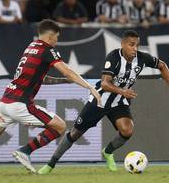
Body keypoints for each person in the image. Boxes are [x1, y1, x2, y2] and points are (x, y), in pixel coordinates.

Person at [0, 19, 101, 175]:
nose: (57, 41)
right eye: (57, 37)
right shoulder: (47, 50)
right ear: (50, 37)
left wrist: (63, 82)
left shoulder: (31, 47)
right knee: (60, 126)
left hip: (6, 101)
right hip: (19, 103)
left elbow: (41, 78)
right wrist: (89, 86)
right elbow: (67, 70)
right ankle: (25, 151)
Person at [38, 30, 169, 175]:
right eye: (131, 45)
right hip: (100, 100)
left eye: (137, 45)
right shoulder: (113, 57)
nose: (135, 49)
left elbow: (162, 65)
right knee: (75, 133)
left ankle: (108, 152)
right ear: (123, 44)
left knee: (127, 130)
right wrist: (123, 91)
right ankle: (50, 164)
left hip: (119, 102)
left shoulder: (142, 58)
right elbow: (105, 84)